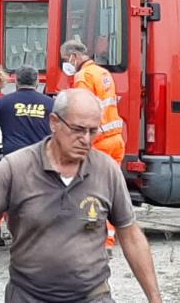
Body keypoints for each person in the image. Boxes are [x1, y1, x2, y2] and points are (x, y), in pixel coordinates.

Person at [0, 89, 162, 303]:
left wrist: (155, 298)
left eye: (93, 131)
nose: (86, 139)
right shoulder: (16, 167)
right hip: (28, 296)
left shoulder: (106, 170)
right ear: (54, 123)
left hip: (92, 296)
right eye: (78, 129)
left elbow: (131, 235)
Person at [0, 65, 53, 246]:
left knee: (3, 198)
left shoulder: (4, 103)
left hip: (12, 161)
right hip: (40, 160)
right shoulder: (50, 104)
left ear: (16, 83)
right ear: (37, 82)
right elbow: (61, 133)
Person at [61, 39, 125, 250]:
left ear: (74, 57)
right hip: (116, 140)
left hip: (100, 143)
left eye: (65, 59)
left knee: (92, 193)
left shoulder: (84, 76)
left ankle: (94, 240)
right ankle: (108, 241)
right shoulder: (103, 73)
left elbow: (82, 109)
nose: (66, 64)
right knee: (110, 192)